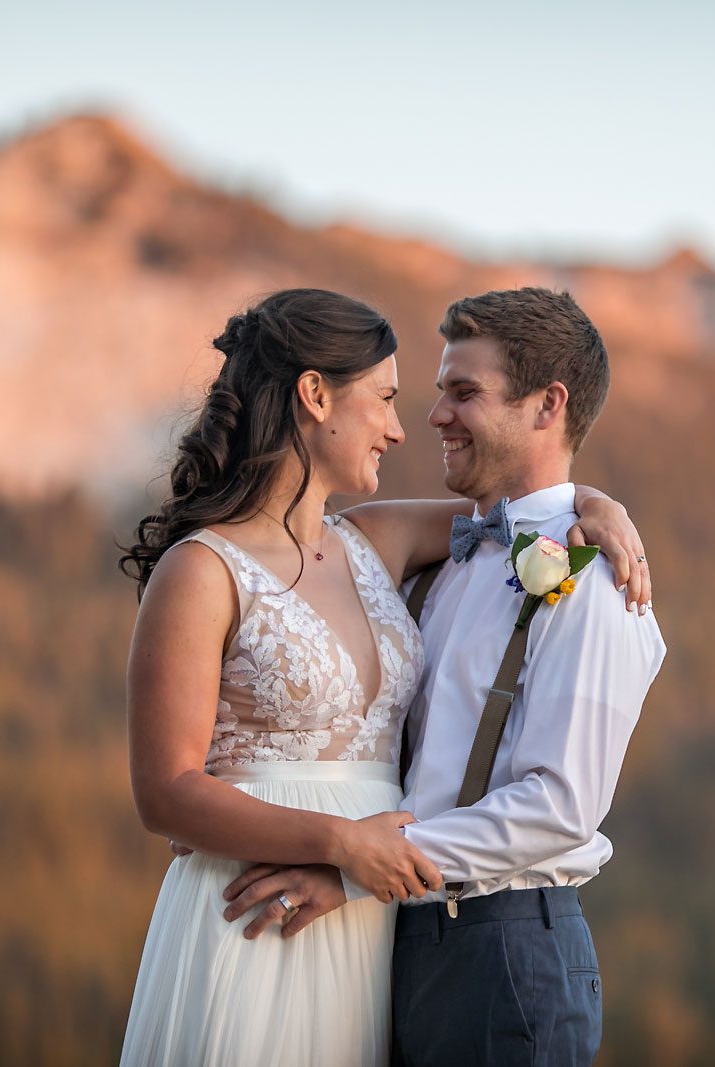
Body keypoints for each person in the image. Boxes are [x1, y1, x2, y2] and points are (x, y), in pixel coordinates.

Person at [116, 288, 651, 1065]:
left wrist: (601, 508)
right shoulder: (202, 570)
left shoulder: (377, 539)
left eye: (450, 394)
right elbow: (163, 789)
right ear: (314, 394)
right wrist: (340, 845)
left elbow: (530, 513)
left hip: (374, 921)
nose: (407, 425)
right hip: (268, 907)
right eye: (391, 398)